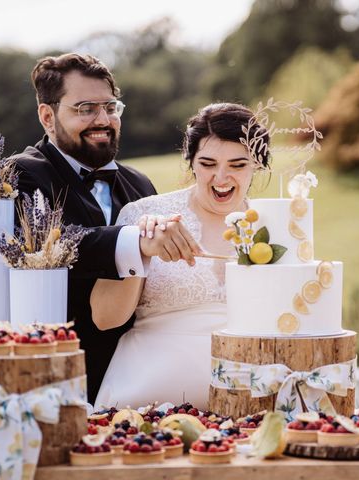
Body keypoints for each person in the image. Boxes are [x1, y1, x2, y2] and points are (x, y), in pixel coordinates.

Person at [10, 53, 196, 403]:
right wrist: (135, 242)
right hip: (55, 379)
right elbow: (46, 244)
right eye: (85, 109)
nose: (103, 120)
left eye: (110, 107)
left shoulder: (139, 184)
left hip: (144, 375)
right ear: (47, 116)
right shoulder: (20, 174)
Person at [92, 102, 269, 409]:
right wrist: (139, 248)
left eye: (238, 165)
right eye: (208, 163)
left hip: (248, 406)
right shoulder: (143, 215)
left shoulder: (275, 227)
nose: (222, 177)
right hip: (146, 401)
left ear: (256, 164)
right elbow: (105, 318)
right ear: (191, 162)